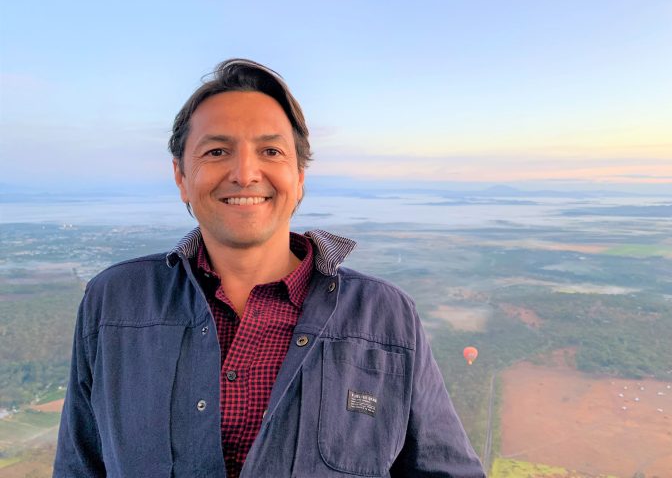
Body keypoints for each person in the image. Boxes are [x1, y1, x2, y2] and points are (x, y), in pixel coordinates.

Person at [54, 59, 485, 477]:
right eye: (217, 150)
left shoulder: (386, 316)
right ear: (181, 176)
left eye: (270, 151)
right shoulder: (115, 302)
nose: (245, 173)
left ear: (299, 176)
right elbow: (79, 466)